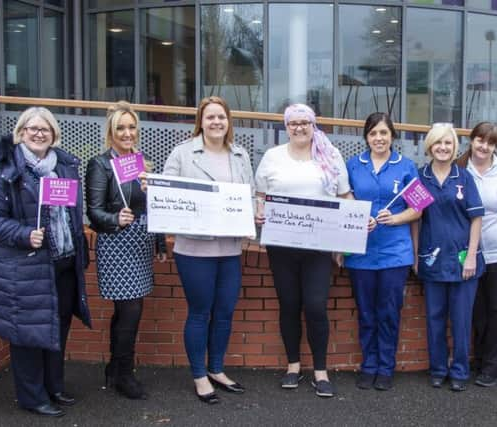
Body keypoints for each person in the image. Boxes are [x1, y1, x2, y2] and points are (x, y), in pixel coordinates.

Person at [0, 107, 91, 417]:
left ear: (54, 134)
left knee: (58, 326)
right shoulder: (6, 170)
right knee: (28, 332)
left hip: (64, 263)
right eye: (32, 128)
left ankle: (54, 386)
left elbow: (72, 213)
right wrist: (24, 234)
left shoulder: (65, 168)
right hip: (26, 267)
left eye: (45, 129)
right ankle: (32, 396)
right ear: (21, 133)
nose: (39, 133)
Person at [162, 96, 254, 404]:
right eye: (210, 117)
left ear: (229, 122)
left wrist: (255, 213)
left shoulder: (240, 155)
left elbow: (250, 195)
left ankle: (217, 369)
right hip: (195, 249)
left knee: (225, 312)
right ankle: (200, 375)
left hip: (230, 248)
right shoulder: (183, 153)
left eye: (222, 117)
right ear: (200, 121)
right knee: (201, 312)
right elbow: (169, 194)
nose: (216, 122)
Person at [254, 103, 351, 398]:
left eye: (305, 122)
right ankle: (293, 366)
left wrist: (356, 224)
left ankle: (320, 371)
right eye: (293, 123)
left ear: (313, 125)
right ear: (286, 127)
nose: (299, 127)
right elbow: (260, 195)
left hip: (318, 248)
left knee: (315, 305)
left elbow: (345, 195)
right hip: (281, 246)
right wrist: (259, 212)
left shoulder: (330, 156)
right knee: (289, 304)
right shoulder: (272, 157)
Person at [85, 101, 166, 400]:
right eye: (121, 127)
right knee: (130, 311)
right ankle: (124, 374)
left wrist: (158, 243)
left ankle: (115, 368)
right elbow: (93, 212)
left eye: (132, 127)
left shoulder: (141, 163)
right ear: (111, 131)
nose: (127, 133)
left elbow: (152, 207)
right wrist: (114, 219)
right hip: (116, 244)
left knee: (128, 310)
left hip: (141, 243)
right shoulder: (100, 164)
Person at [343, 112, 420, 391]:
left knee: (388, 312)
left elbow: (418, 207)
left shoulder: (406, 167)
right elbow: (343, 200)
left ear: (392, 136)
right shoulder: (353, 165)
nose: (379, 138)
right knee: (366, 313)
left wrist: (397, 218)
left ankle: (386, 367)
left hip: (394, 253)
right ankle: (369, 365)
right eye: (373, 133)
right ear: (366, 137)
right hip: (360, 253)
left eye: (384, 133)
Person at [413, 123, 484, 392]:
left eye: (448, 143)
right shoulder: (420, 178)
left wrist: (472, 257)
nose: (443, 148)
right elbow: (415, 221)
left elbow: (476, 218)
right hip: (431, 260)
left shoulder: (464, 177)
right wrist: (416, 256)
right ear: (430, 146)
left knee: (462, 319)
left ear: (455, 147)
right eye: (438, 143)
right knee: (434, 318)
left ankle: (460, 370)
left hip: (463, 261)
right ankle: (438, 368)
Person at [456, 122, 497, 387]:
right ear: (471, 141)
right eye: (480, 140)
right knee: (478, 309)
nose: (484, 146)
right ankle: (481, 359)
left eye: (490, 142)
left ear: (496, 145)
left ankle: (494, 368)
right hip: (472, 252)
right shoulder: (460, 168)